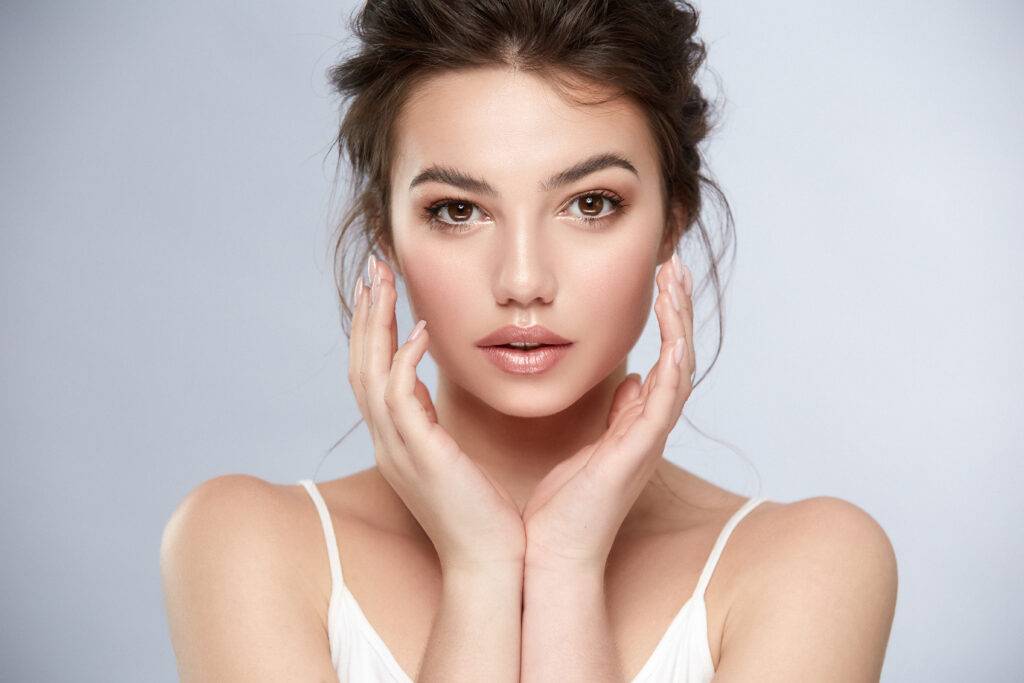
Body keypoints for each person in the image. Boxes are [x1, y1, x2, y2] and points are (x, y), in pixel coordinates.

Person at [160, 1, 898, 680]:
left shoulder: (812, 564)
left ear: (672, 219)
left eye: (590, 203)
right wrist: (481, 568)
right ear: (385, 231)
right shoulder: (246, 545)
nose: (522, 279)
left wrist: (567, 569)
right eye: (457, 210)